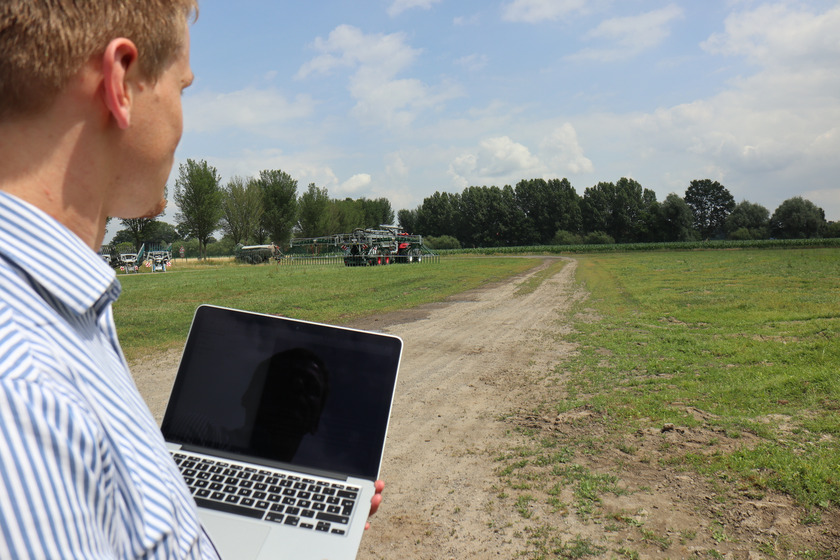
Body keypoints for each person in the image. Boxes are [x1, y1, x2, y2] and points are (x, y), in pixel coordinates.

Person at [0, 1, 382, 558]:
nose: (182, 118)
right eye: (183, 88)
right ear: (121, 81)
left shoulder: (59, 311)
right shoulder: (25, 394)